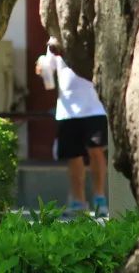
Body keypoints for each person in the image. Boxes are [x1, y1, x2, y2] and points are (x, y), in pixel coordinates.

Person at [37, 38, 109, 217]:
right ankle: (78, 202)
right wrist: (41, 67)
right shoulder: (55, 40)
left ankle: (100, 199)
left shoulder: (90, 34)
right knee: (73, 156)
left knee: (96, 151)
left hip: (95, 107)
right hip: (67, 110)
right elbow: (47, 67)